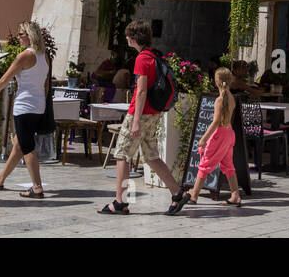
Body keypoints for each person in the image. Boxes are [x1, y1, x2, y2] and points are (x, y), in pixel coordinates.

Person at [97, 20, 187, 215]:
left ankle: (120, 202)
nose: (126, 38)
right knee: (152, 156)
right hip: (153, 114)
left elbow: (141, 91)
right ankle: (177, 192)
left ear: (134, 38)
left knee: (122, 155)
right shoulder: (155, 56)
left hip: (139, 113)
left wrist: (135, 120)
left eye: (128, 35)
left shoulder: (141, 59)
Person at [0, 22, 51, 199]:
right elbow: (45, 84)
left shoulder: (25, 56)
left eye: (21, 34)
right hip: (38, 105)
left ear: (30, 36)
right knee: (18, 145)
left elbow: (5, 78)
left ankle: (37, 188)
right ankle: (0, 178)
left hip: (24, 106)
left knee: (27, 147)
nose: (18, 37)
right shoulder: (44, 56)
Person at [168, 67, 242, 213]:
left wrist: (203, 138)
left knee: (204, 164)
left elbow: (215, 122)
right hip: (229, 134)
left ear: (217, 82)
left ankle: (194, 195)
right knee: (228, 166)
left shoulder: (219, 100)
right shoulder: (231, 98)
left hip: (219, 135)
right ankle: (235, 195)